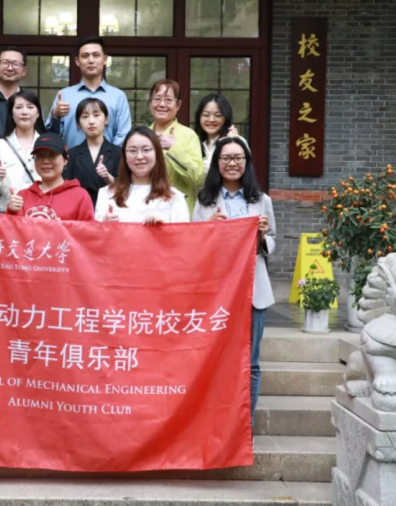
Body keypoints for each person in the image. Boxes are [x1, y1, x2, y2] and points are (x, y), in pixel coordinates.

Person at [192, 136, 275, 425]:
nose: (232, 163)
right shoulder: (204, 200)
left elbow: (272, 241)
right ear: (217, 163)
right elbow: (193, 244)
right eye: (225, 158)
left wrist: (262, 237)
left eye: (238, 158)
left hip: (253, 290)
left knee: (250, 362)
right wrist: (209, 228)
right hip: (217, 292)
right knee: (215, 359)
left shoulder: (261, 200)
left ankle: (244, 428)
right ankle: (215, 425)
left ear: (247, 163)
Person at [45, 36, 131, 148]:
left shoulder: (118, 96)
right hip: (71, 158)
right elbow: (51, 137)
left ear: (105, 59)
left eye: (96, 55)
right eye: (85, 56)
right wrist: (55, 115)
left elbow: (123, 135)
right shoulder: (64, 95)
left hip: (109, 158)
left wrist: (109, 156)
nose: (91, 60)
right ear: (77, 61)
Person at [94, 127, 189, 224]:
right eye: (132, 151)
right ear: (125, 156)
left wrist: (164, 228)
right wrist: (104, 224)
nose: (139, 156)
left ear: (157, 154)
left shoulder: (175, 198)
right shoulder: (106, 194)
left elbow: (183, 232)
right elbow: (95, 232)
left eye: (146, 150)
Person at [6, 133, 95, 221]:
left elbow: (88, 229)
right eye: (40, 156)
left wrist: (62, 228)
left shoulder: (80, 196)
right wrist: (10, 211)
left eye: (52, 155)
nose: (45, 161)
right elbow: (11, 228)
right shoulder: (22, 196)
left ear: (65, 159)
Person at [148, 79, 205, 213]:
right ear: (150, 103)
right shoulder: (143, 135)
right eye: (157, 99)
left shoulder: (188, 135)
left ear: (178, 105)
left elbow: (197, 178)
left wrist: (174, 149)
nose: (162, 104)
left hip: (178, 211)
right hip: (148, 209)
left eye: (168, 100)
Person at [0, 89, 46, 211]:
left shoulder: (47, 144)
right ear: (11, 114)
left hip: (40, 211)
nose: (24, 112)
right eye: (18, 107)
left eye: (30, 107)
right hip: (7, 212)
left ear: (38, 113)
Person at [63, 98, 121, 206]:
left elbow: (127, 188)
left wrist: (108, 177)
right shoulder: (71, 155)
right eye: (85, 116)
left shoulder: (119, 153)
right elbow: (65, 189)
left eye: (96, 115)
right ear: (78, 123)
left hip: (109, 209)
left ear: (106, 119)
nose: (91, 121)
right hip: (79, 210)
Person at [194, 94, 240, 172]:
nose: (211, 119)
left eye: (218, 115)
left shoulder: (235, 141)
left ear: (226, 118)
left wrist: (235, 143)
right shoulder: (194, 143)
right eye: (206, 115)